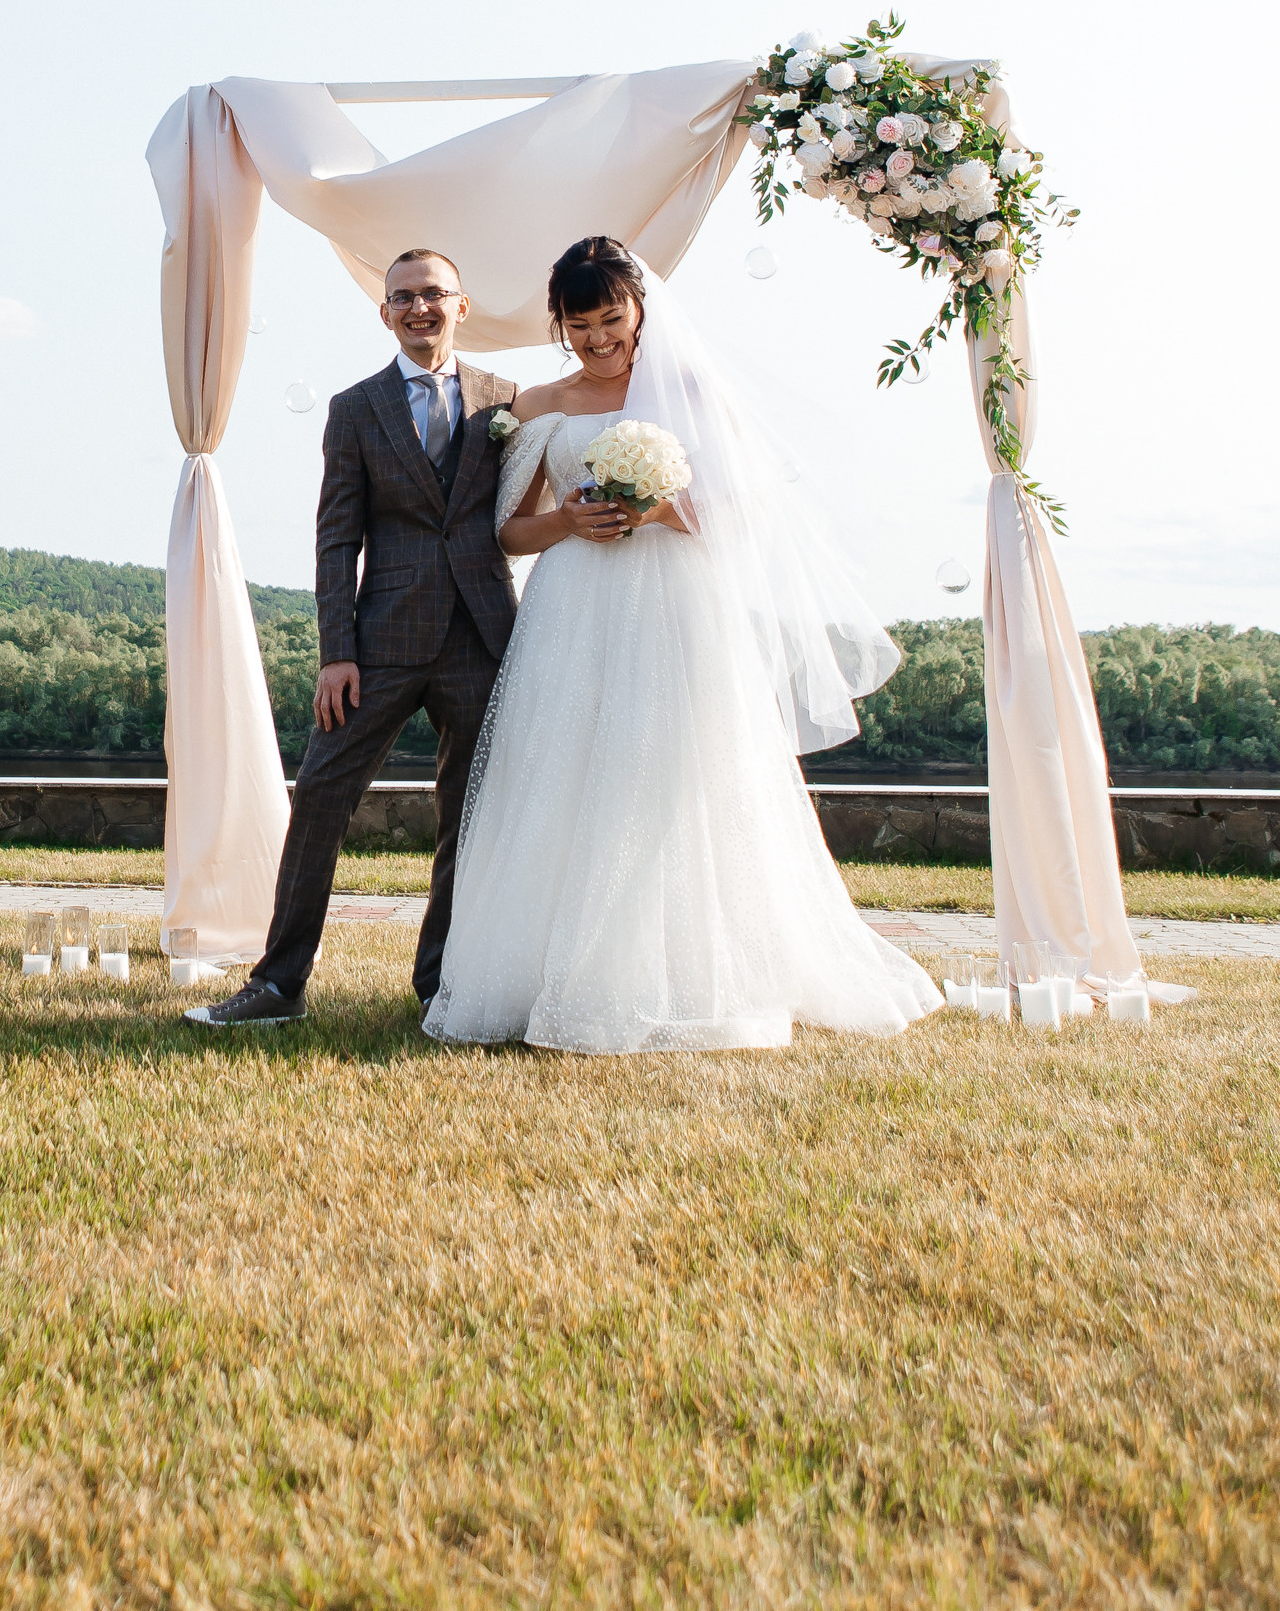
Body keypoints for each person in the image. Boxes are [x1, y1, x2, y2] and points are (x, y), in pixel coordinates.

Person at [423, 234, 938, 1053]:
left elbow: (740, 519)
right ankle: (541, 979)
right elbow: (505, 531)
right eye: (579, 323)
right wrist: (567, 521)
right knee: (567, 772)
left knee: (675, 776)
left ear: (638, 311)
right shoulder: (533, 406)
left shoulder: (689, 390)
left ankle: (690, 976)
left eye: (611, 318)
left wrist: (659, 508)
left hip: (675, 606)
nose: (597, 339)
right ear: (558, 323)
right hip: (572, 608)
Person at [188, 249, 522, 1027]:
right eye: (401, 297)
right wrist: (335, 650)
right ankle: (278, 984)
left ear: (461, 305)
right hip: (374, 645)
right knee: (321, 803)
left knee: (468, 815)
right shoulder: (354, 407)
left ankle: (443, 988)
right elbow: (336, 538)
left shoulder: (507, 402)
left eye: (432, 294)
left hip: (481, 638)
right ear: (384, 314)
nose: (418, 308)